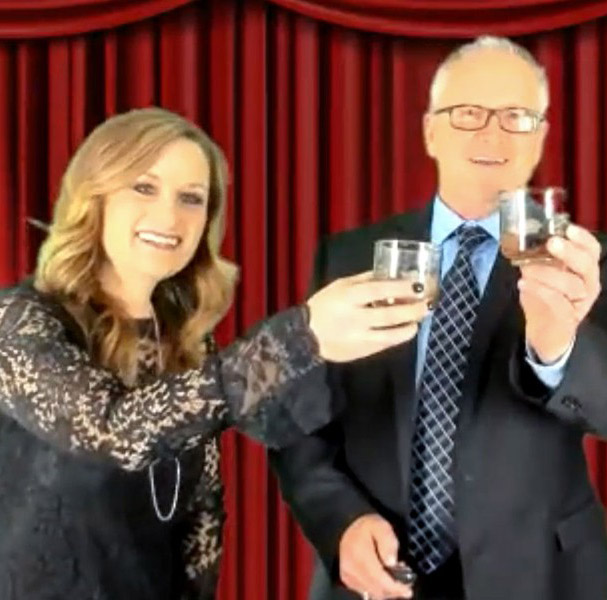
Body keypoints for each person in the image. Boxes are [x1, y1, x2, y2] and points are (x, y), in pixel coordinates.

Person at [271, 36, 607, 600]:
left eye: (516, 117)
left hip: (544, 579)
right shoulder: (348, 256)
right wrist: (340, 522)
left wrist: (558, 346)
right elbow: (298, 420)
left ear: (540, 137)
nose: (492, 135)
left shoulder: (585, 257)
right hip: (380, 578)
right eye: (468, 113)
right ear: (430, 132)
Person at [0, 107, 430, 600]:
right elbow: (115, 432)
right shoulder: (19, 321)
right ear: (93, 196)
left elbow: (200, 514)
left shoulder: (185, 341)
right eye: (144, 187)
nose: (169, 216)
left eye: (191, 198)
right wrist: (302, 336)